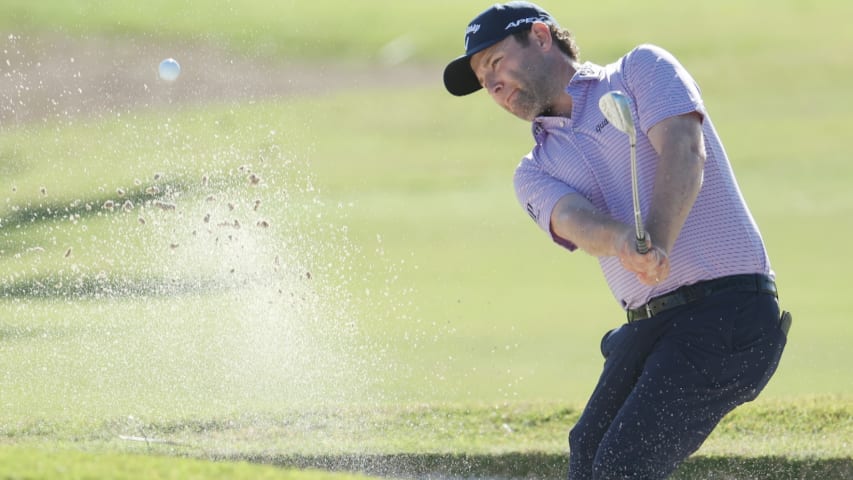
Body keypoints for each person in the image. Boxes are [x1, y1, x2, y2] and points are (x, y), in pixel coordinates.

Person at [443, 2, 790, 479]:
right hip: (650, 326)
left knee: (623, 465)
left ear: (542, 37)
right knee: (587, 453)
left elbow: (685, 150)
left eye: (497, 63)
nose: (494, 85)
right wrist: (624, 241)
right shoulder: (534, 170)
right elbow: (574, 219)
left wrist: (659, 238)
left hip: (727, 313)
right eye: (484, 80)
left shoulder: (639, 71)